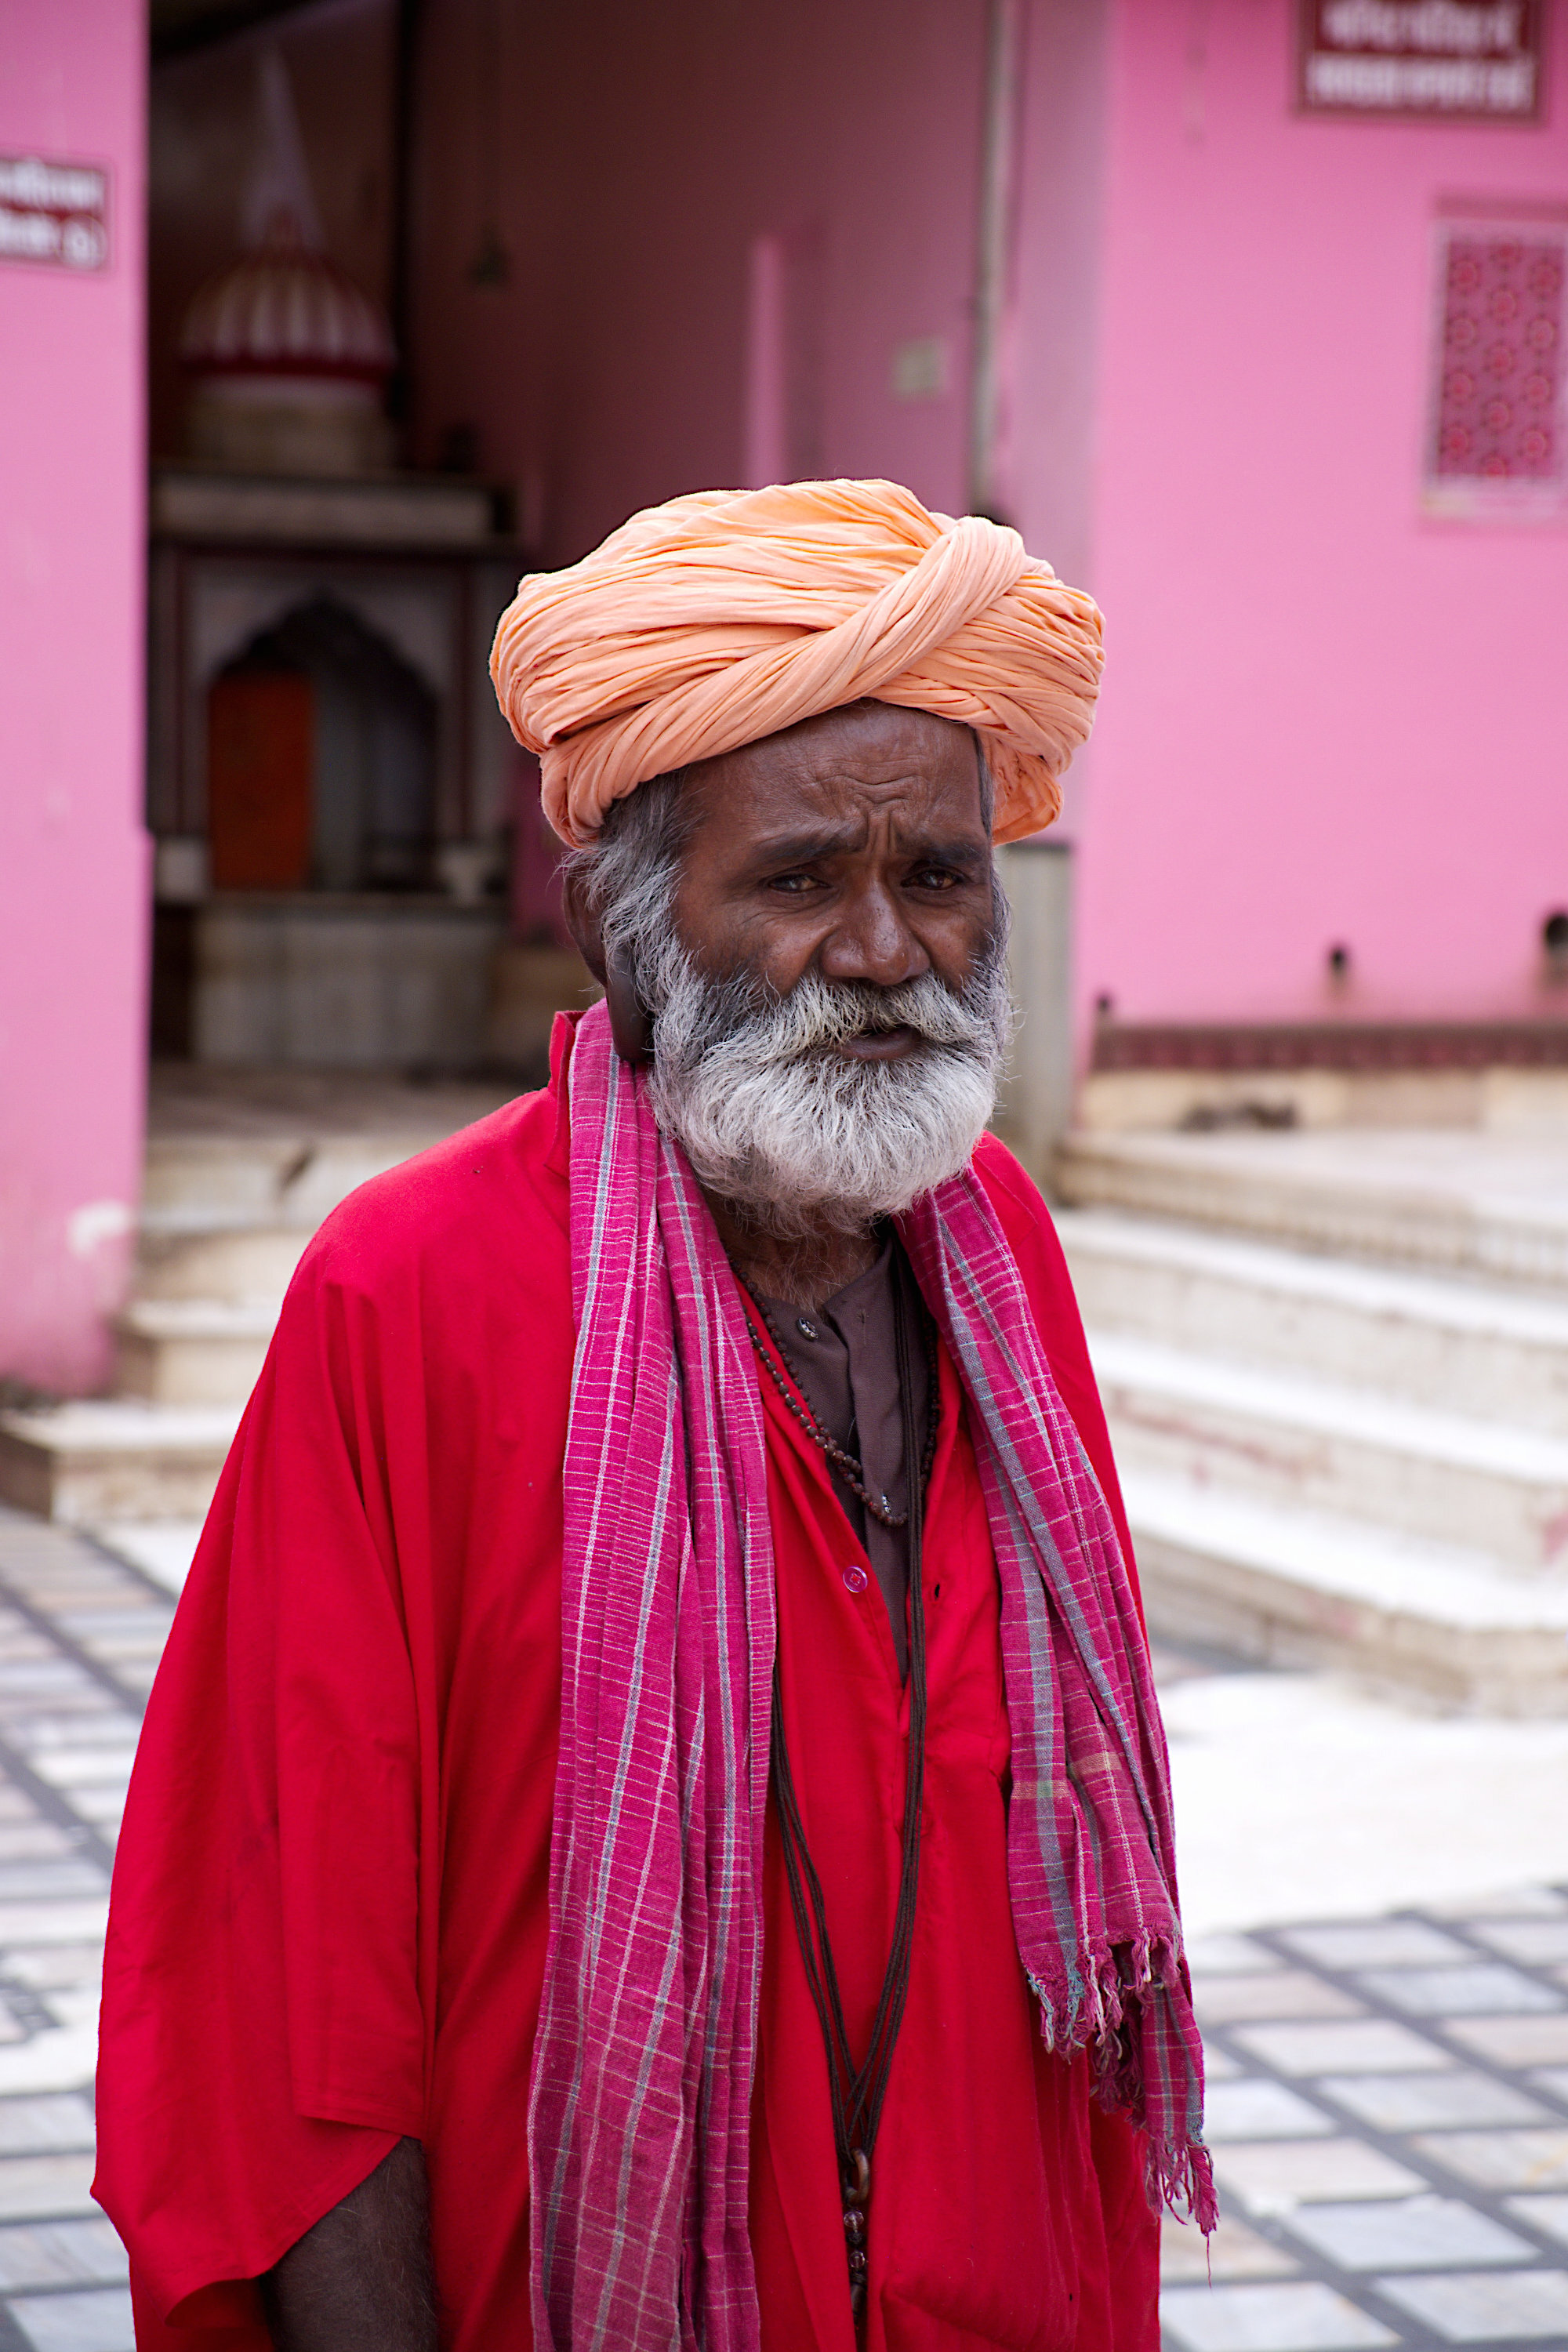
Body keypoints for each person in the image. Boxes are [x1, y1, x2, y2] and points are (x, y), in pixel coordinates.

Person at [95, 479, 1211, 2352]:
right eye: (795, 881)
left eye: (935, 874)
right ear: (623, 926)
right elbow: (299, 1992)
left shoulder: (1000, 1252)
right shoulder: (412, 1295)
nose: (883, 950)